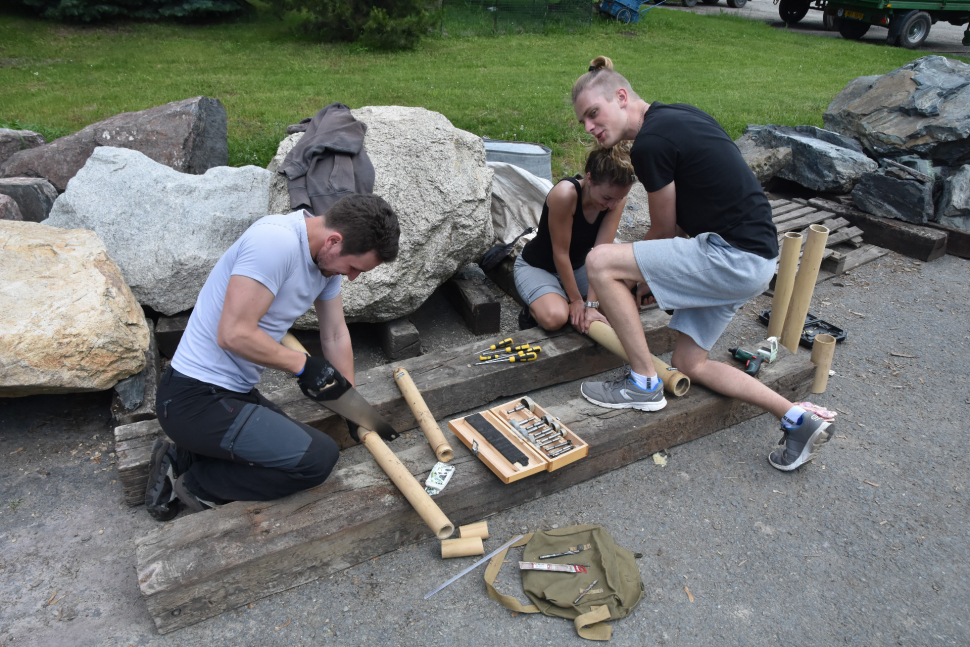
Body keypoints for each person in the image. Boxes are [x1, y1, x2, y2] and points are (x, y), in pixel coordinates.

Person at [572, 56, 834, 472]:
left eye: (593, 113)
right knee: (689, 365)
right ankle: (797, 418)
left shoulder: (650, 144)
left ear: (621, 97)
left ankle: (643, 383)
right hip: (757, 259)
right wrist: (649, 277)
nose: (588, 127)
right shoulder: (678, 115)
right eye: (582, 121)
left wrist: (622, 285)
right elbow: (676, 225)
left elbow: (661, 230)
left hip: (729, 256)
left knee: (601, 261)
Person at [145, 194, 401, 520]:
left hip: (232, 394)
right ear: (334, 241)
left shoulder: (326, 266)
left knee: (291, 446)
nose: (352, 277)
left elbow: (335, 334)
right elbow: (233, 333)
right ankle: (197, 485)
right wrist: (303, 365)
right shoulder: (274, 243)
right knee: (317, 459)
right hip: (192, 398)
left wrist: (349, 400)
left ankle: (180, 457)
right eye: (353, 268)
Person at [514, 145, 634, 334]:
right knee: (556, 318)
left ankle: (565, 296)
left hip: (579, 266)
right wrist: (577, 300)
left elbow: (601, 254)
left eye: (619, 199)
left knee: (616, 305)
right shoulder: (565, 194)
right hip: (539, 266)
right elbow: (560, 253)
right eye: (607, 197)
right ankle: (533, 310)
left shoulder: (616, 200)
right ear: (590, 178)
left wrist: (592, 305)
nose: (612, 205)